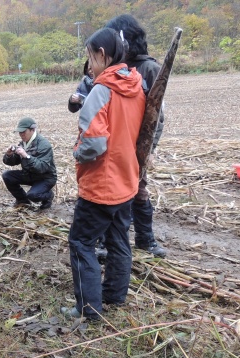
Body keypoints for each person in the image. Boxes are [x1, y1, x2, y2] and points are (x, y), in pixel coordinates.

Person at [61, 28, 146, 322]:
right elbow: (151, 127)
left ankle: (88, 308)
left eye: (90, 57)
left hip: (101, 184)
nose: (90, 65)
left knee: (81, 242)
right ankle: (114, 295)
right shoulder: (137, 86)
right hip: (126, 180)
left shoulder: (101, 90)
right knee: (119, 239)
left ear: (101, 54)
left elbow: (94, 142)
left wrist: (77, 153)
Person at [105, 14, 167, 258]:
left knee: (139, 189)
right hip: (114, 143)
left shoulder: (149, 69)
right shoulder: (115, 69)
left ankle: (145, 239)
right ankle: (106, 240)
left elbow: (157, 116)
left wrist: (148, 150)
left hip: (137, 145)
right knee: (111, 193)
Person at [2, 117, 57, 211]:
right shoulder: (23, 143)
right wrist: (9, 155)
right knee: (7, 175)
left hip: (45, 178)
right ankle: (22, 200)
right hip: (29, 175)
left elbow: (42, 167)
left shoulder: (44, 144)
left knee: (33, 195)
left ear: (33, 129)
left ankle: (48, 196)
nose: (21, 134)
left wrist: (26, 156)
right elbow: (13, 162)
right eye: (20, 132)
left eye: (24, 132)